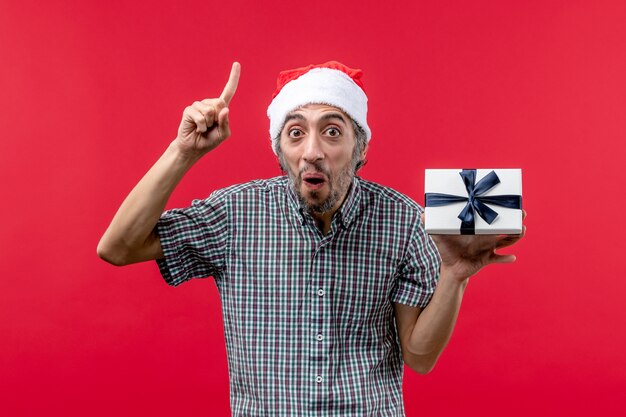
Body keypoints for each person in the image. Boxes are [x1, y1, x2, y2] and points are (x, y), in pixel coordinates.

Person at [98, 61, 525, 416]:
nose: (312, 151)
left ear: (361, 148)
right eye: (296, 133)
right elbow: (118, 247)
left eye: (333, 131)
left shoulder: (405, 221)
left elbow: (419, 356)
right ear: (279, 149)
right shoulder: (235, 214)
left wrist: (454, 274)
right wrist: (184, 151)